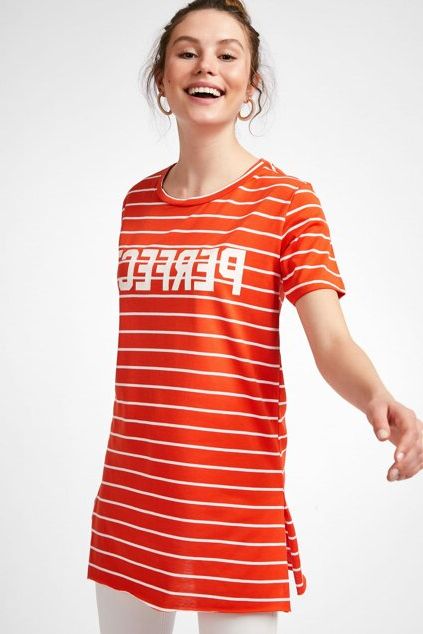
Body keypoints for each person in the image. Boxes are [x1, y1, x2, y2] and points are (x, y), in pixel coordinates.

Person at [86, 1, 423, 633]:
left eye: (226, 54)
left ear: (251, 85)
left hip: (234, 499)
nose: (205, 66)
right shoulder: (137, 204)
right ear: (162, 79)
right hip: (134, 493)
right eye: (187, 52)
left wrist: (377, 395)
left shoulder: (287, 202)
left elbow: (330, 340)